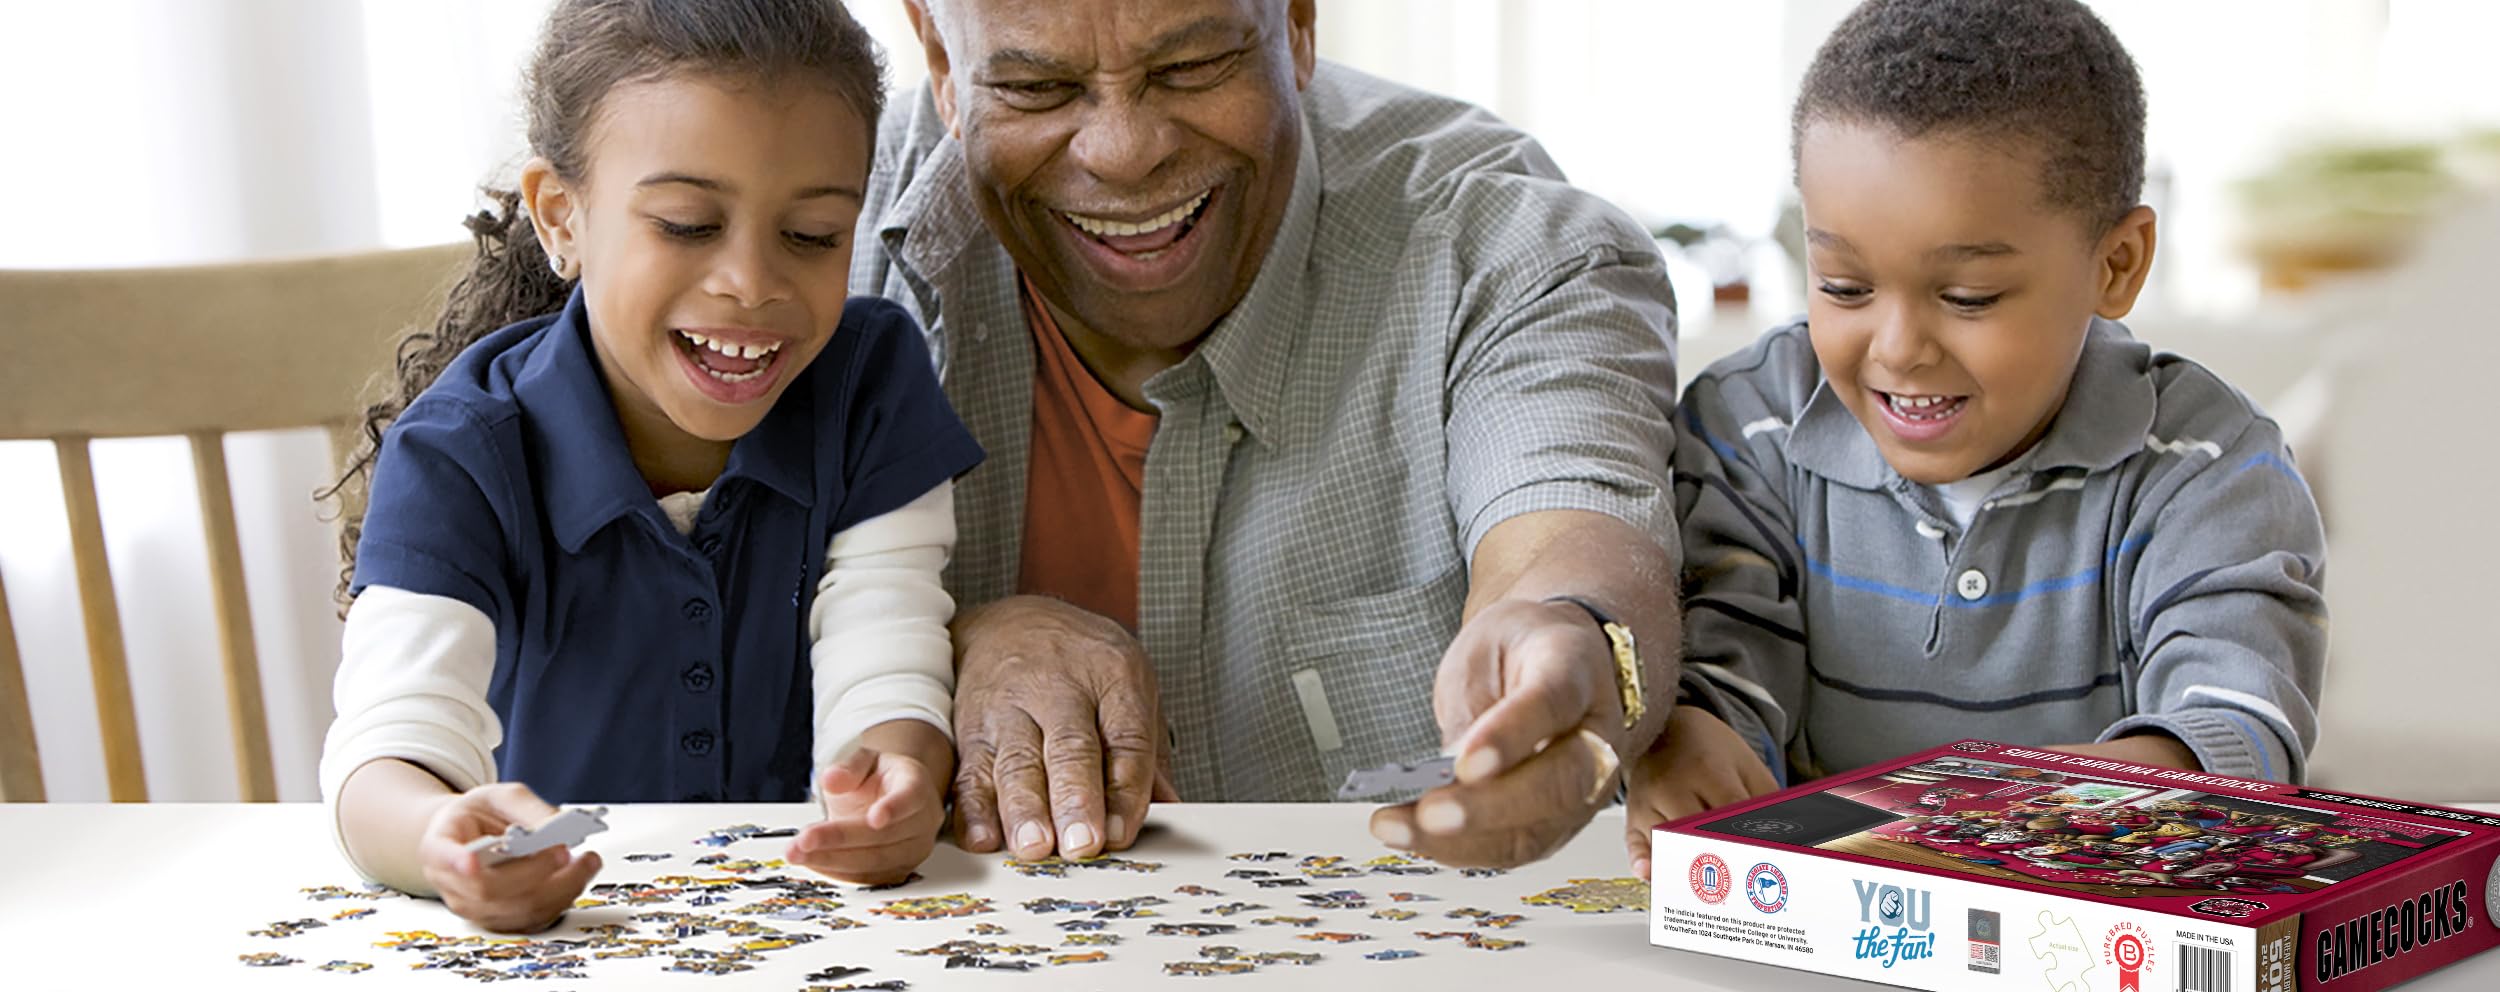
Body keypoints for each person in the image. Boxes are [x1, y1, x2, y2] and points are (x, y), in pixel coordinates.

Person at [857, 0, 1683, 869]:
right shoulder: (796, 224)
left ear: (1295, 22)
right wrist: (939, 642)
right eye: (1035, 86)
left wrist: (1576, 643)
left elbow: (1569, 535)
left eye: (1191, 67)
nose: (1124, 151)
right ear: (941, 62)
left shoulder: (1502, 244)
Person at [315, 0, 983, 932]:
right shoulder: (460, 451)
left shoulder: (871, 384)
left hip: (813, 929)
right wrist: (438, 836)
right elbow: (386, 751)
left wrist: (895, 777)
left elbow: (886, 648)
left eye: (814, 235)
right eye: (684, 223)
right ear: (561, 217)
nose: (751, 282)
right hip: (566, 939)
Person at [1625, 0, 2328, 878]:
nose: (1897, 348)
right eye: (1844, 286)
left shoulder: (2207, 465)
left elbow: (2234, 714)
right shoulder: (1748, 425)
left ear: (2116, 266)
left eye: (1968, 298)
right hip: (1807, 924)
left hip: (2087, 922)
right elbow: (1728, 650)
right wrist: (1691, 734)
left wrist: (2086, 802)